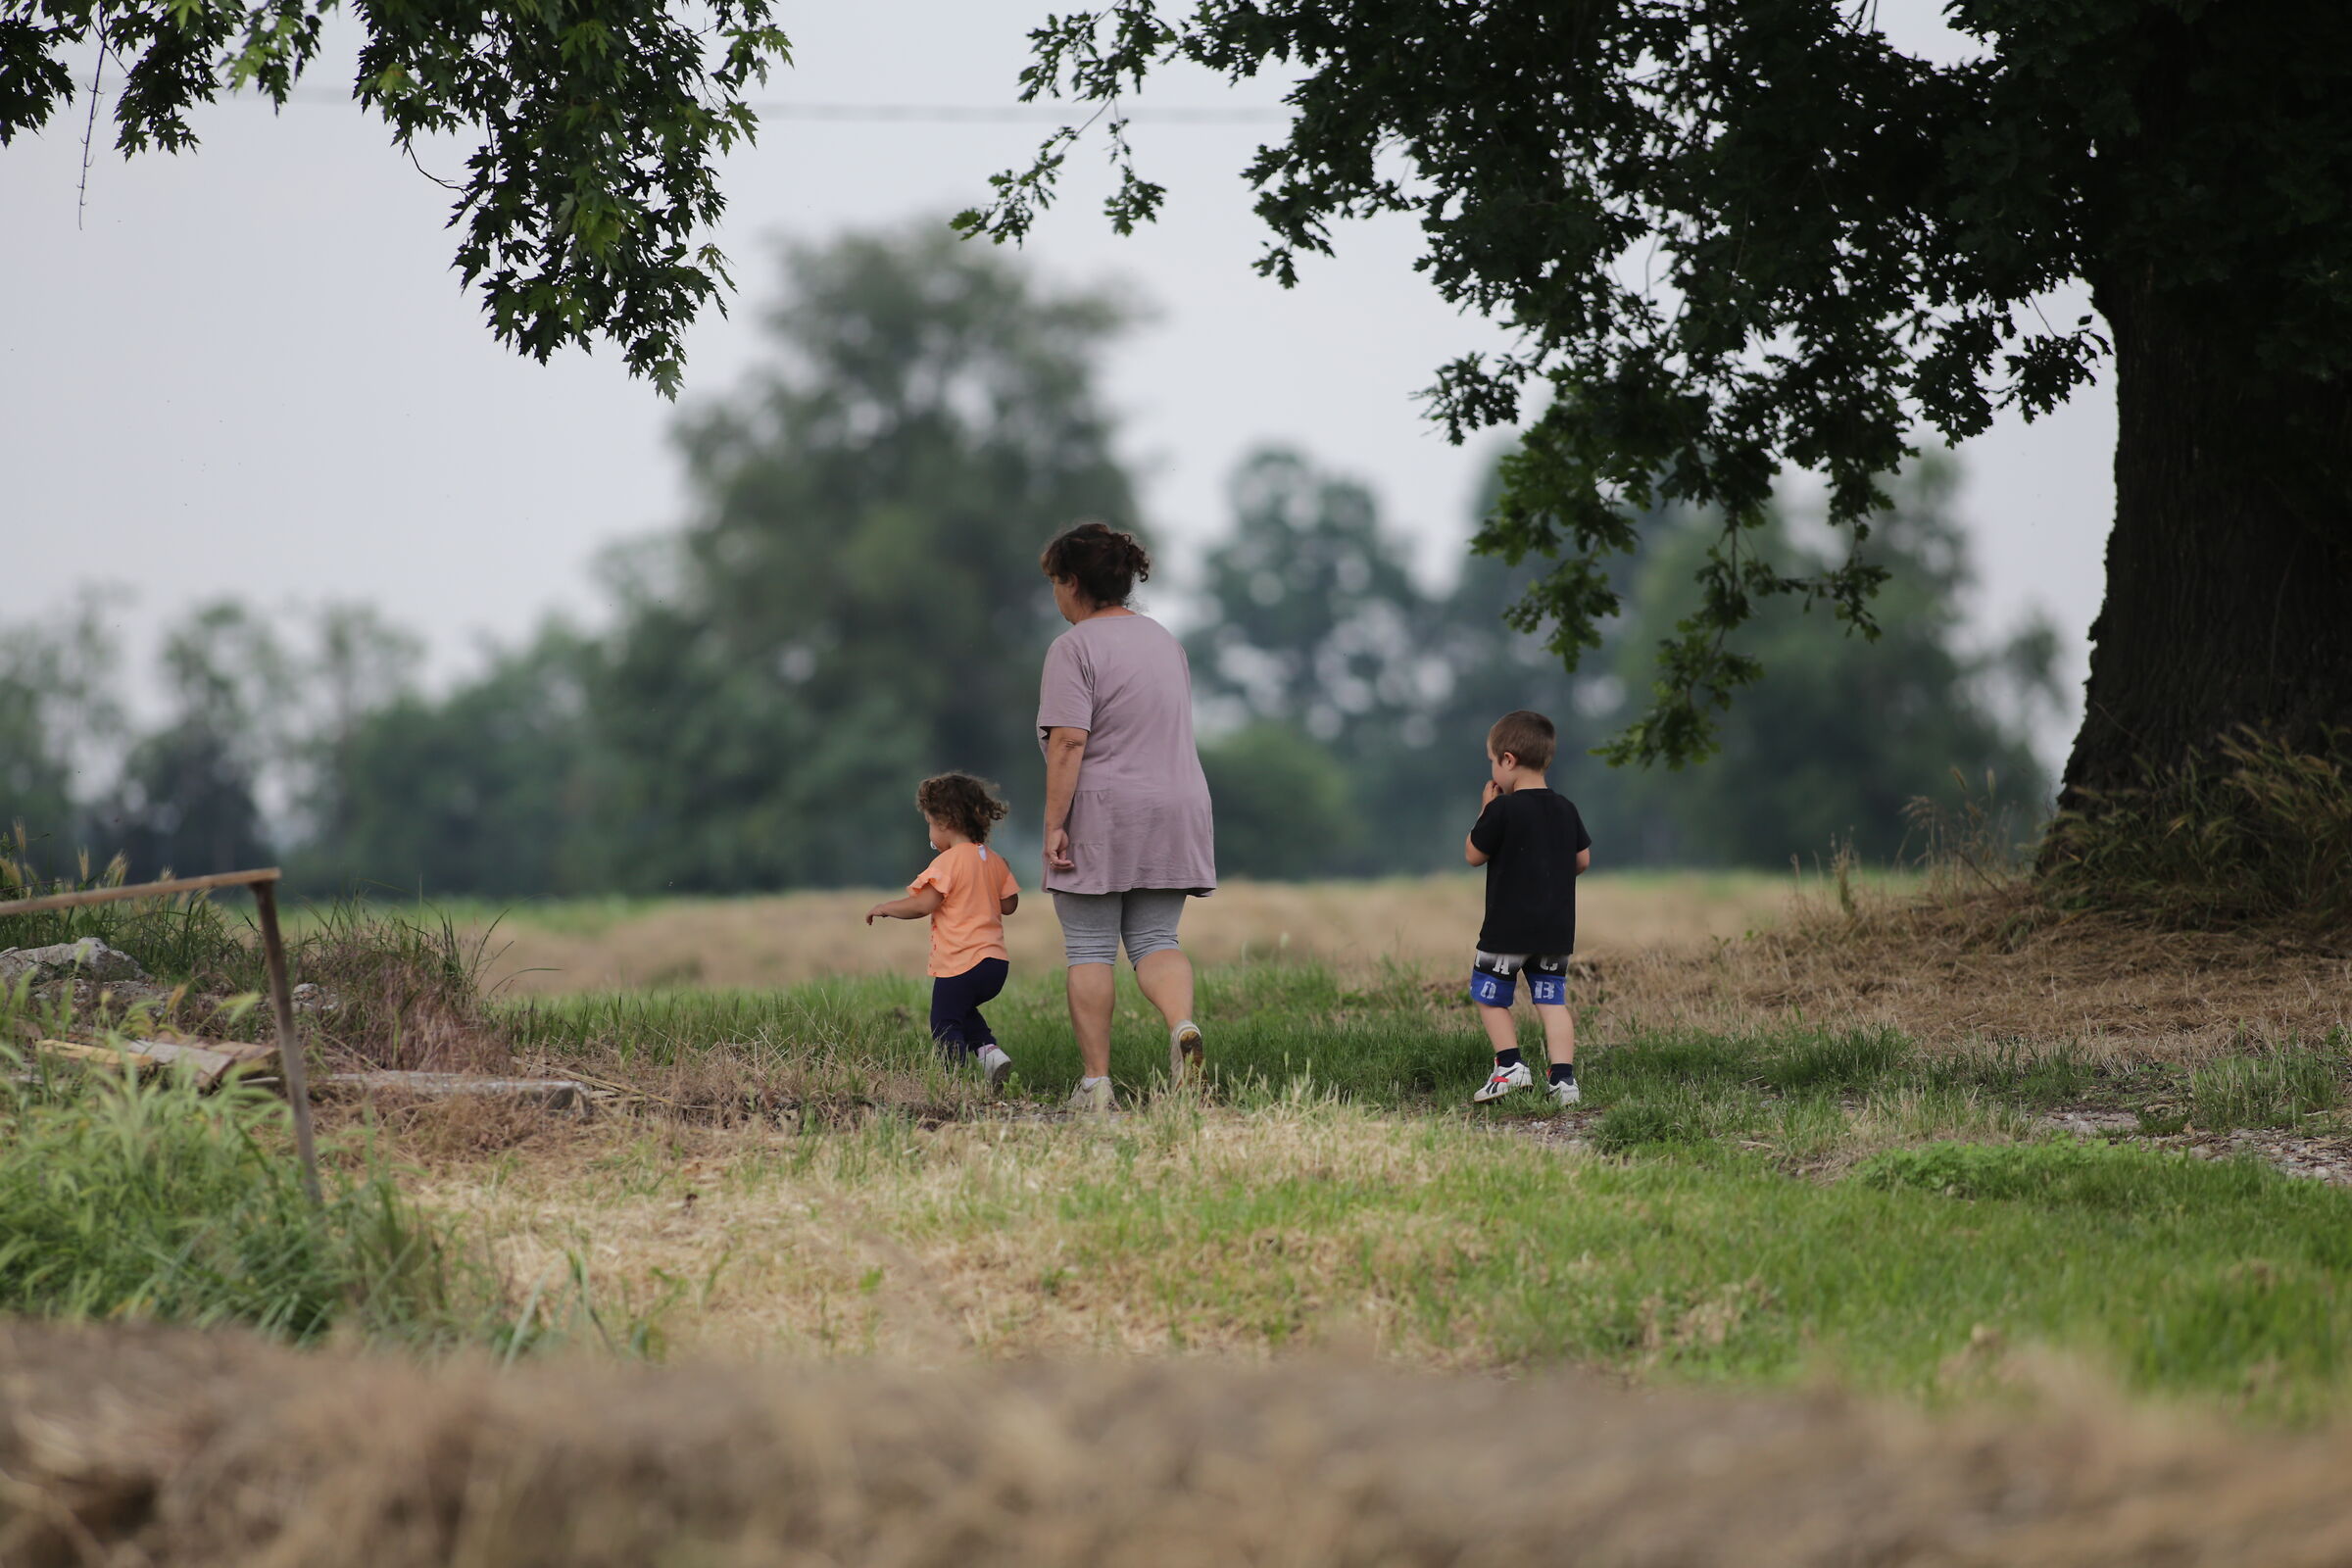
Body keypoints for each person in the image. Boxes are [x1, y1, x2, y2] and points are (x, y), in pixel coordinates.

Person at [1036, 521, 1216, 1111]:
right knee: (1157, 939)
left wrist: (1054, 823)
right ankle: (1182, 1026)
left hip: (1104, 809)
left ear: (1072, 582)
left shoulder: (1073, 648)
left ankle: (1096, 1084)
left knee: (1089, 948)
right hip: (1179, 806)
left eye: (1055, 582)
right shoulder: (1166, 642)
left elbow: (1069, 742)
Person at [1463, 710, 1592, 1109]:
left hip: (1507, 931)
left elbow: (1473, 855)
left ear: (1508, 760)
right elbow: (1582, 861)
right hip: (1555, 933)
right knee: (1552, 1003)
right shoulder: (1566, 808)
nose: (1492, 769)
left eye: (1492, 761)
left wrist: (1485, 810)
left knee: (1490, 996)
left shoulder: (1502, 810)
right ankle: (1564, 1080)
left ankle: (1510, 1066)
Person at [864, 772, 1022, 1088]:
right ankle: (990, 1053)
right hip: (995, 965)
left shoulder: (947, 863)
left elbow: (922, 905)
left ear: (945, 822)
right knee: (962, 1010)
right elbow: (1009, 906)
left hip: (960, 963)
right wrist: (998, 875)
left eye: (929, 823)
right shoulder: (994, 860)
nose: (930, 832)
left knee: (944, 1022)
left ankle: (951, 1082)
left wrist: (886, 907)